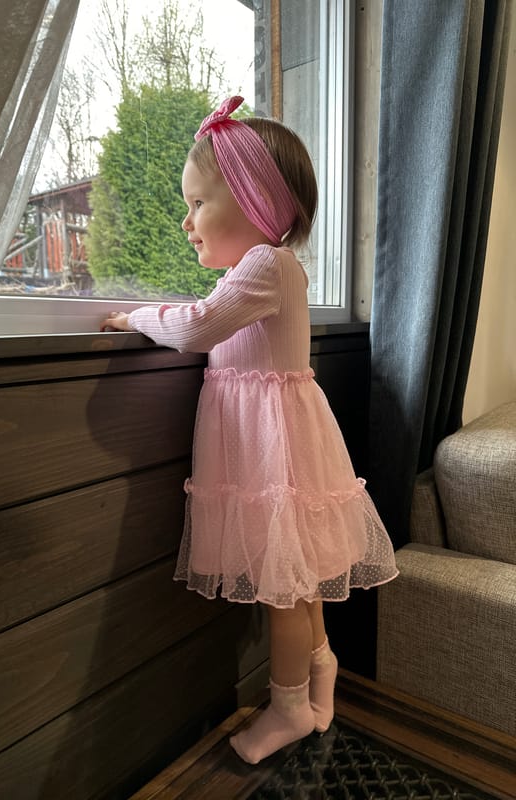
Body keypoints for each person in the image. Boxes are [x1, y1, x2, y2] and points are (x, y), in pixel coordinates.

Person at [101, 96, 398, 765]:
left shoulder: (267, 266)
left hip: (274, 458)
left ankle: (290, 706)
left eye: (199, 203)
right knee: (298, 577)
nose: (185, 221)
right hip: (268, 450)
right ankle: (319, 675)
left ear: (254, 201)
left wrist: (133, 318)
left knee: (285, 587)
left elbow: (199, 325)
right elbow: (213, 316)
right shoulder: (257, 273)